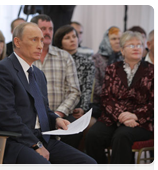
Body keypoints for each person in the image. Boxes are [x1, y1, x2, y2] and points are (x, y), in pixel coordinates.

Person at [0, 21, 97, 170]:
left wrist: (56, 120)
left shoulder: (38, 74)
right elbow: (6, 117)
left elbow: (43, 108)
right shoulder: (2, 70)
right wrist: (36, 145)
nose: (40, 45)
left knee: (88, 164)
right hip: (11, 140)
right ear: (17, 42)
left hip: (39, 137)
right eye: (34, 39)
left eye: (41, 40)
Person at [86, 31, 156, 170]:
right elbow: (106, 98)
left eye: (139, 45)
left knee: (122, 136)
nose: (136, 48)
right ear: (122, 50)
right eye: (131, 45)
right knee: (93, 136)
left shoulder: (152, 71)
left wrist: (134, 115)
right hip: (113, 117)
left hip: (141, 121)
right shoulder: (112, 68)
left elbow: (154, 102)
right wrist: (121, 116)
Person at [30, 14, 80, 119]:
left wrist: (58, 114)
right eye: (43, 29)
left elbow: (74, 92)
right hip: (31, 117)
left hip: (60, 115)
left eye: (50, 29)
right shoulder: (26, 57)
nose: (47, 32)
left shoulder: (65, 57)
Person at [54, 25, 95, 150]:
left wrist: (82, 108)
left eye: (74, 36)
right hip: (56, 106)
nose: (73, 40)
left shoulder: (87, 62)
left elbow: (87, 88)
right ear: (59, 42)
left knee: (74, 128)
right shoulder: (55, 61)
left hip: (77, 107)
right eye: (67, 38)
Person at [90, 26, 123, 120]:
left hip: (122, 104)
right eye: (113, 39)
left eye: (120, 39)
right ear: (106, 40)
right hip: (100, 104)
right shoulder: (96, 59)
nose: (117, 41)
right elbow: (95, 88)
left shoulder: (125, 58)